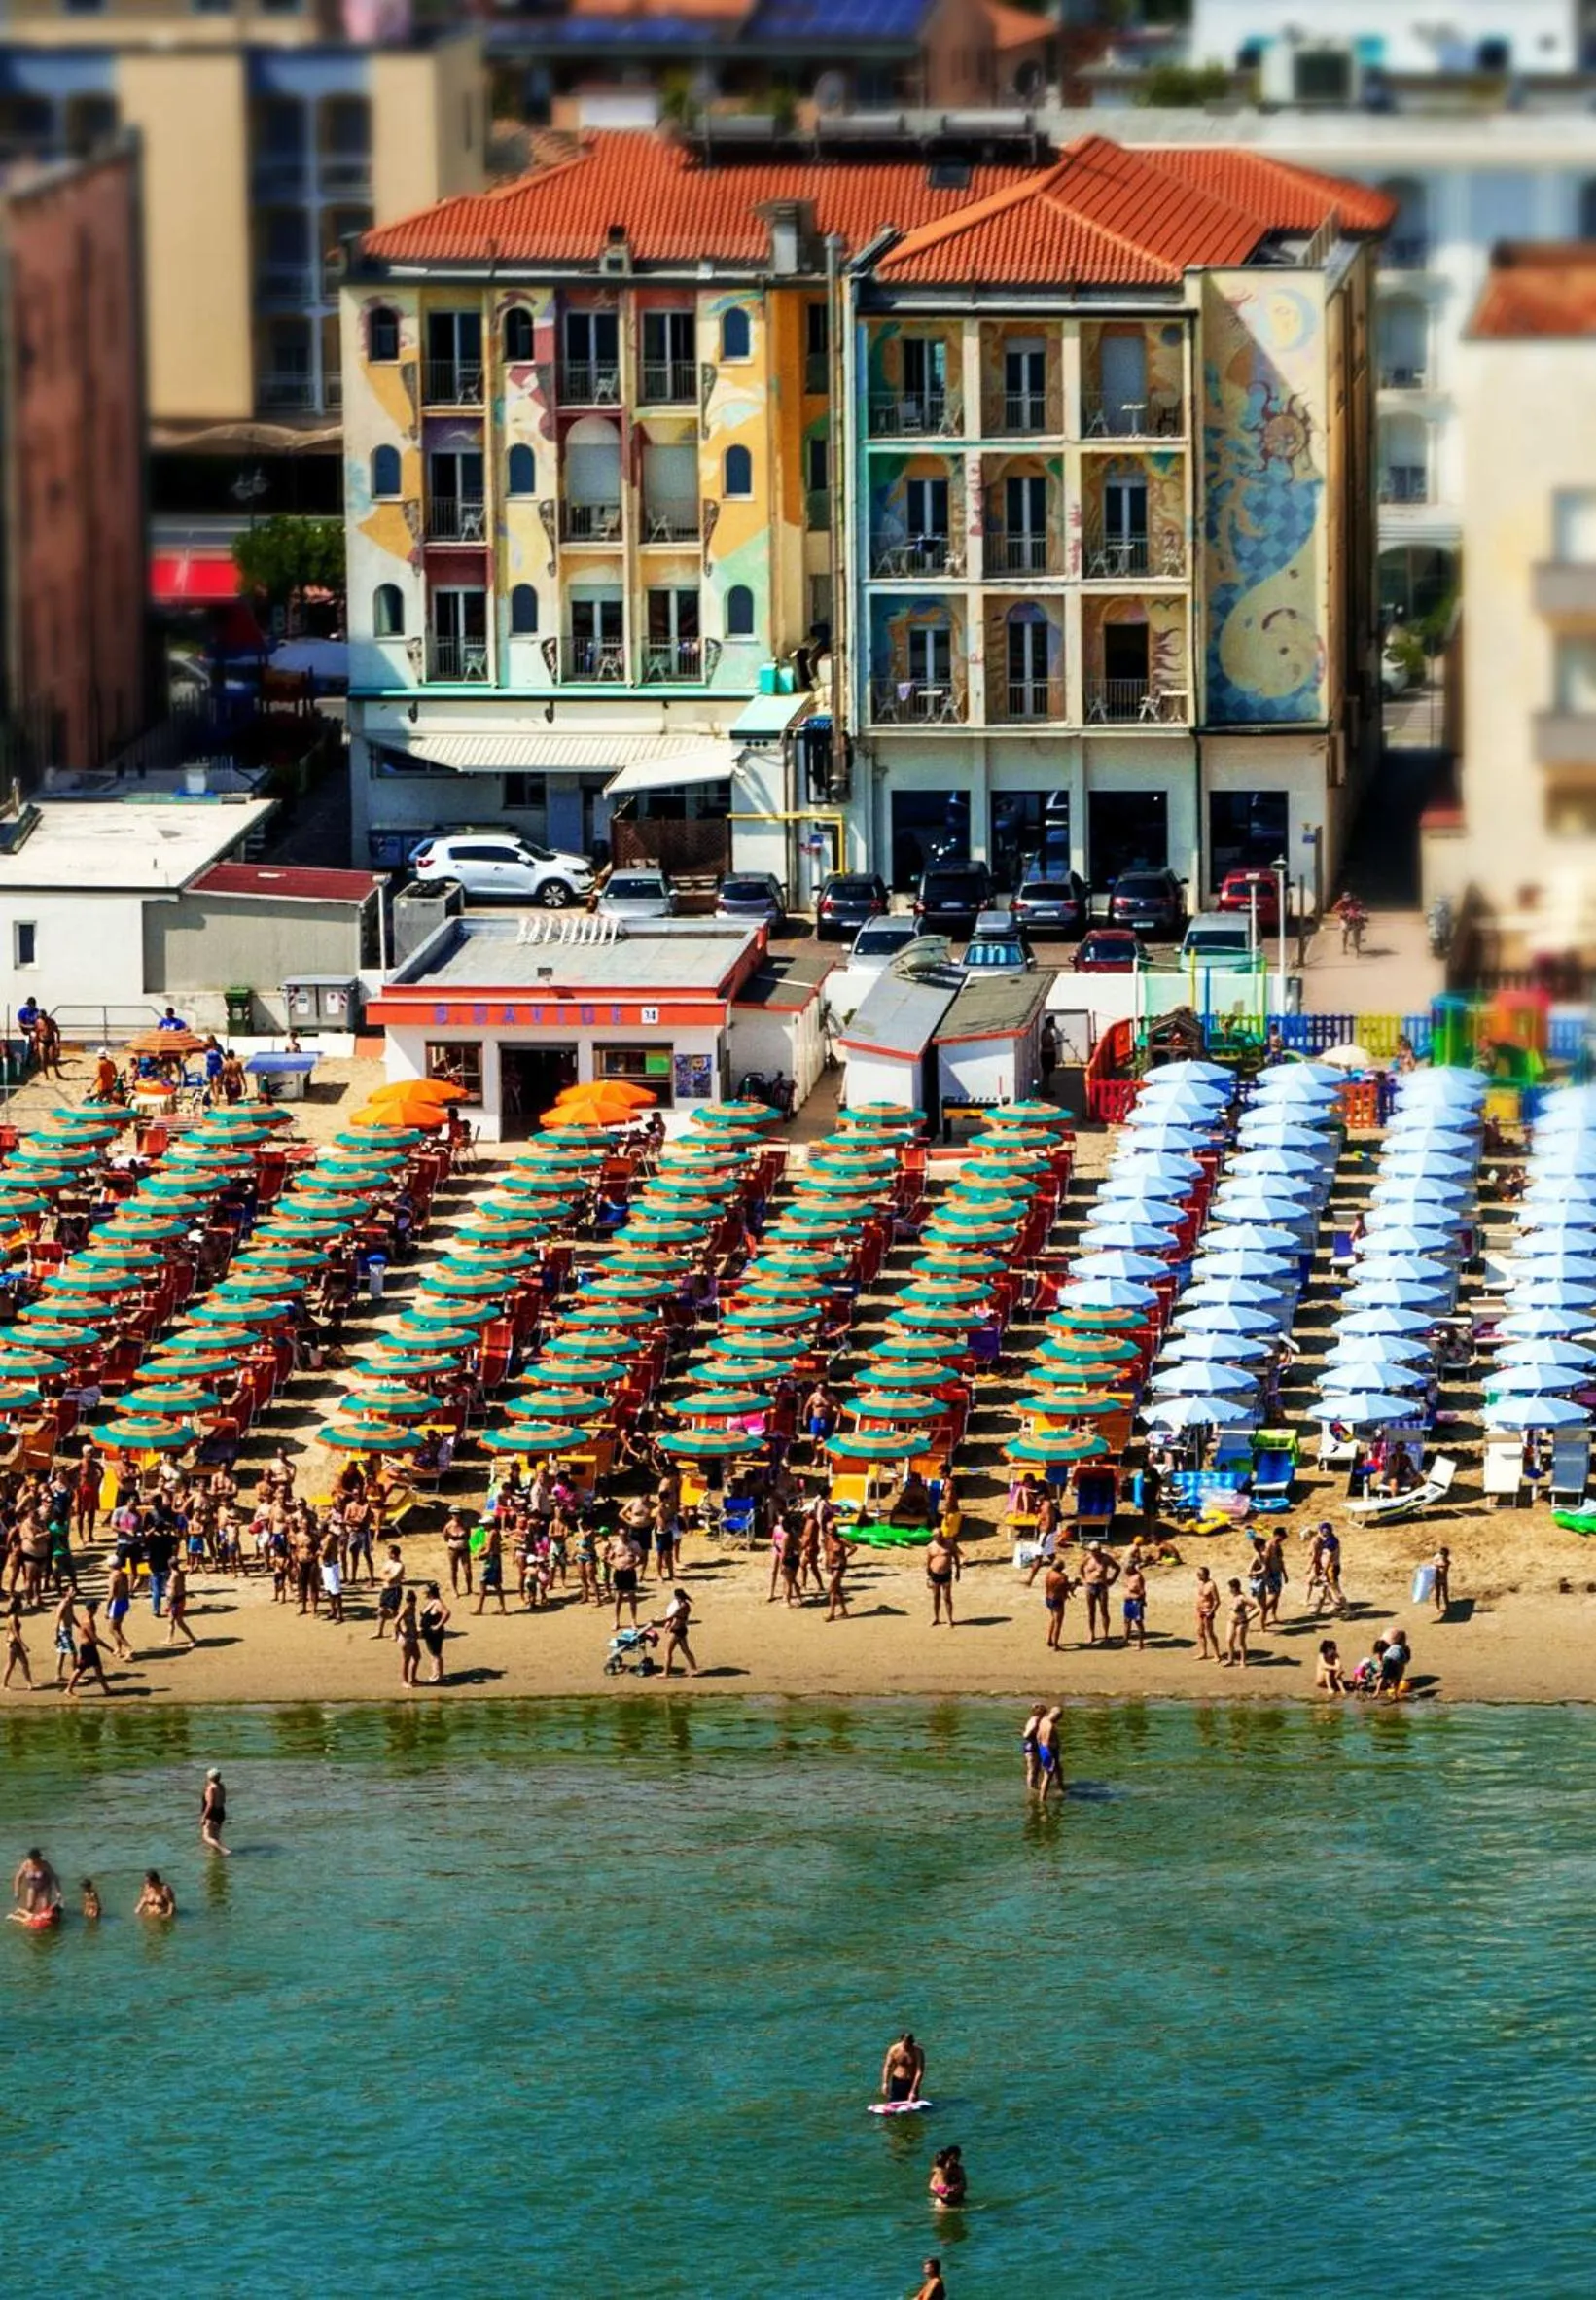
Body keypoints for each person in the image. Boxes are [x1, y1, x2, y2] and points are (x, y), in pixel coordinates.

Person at [66, 1600, 112, 1696]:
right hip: (88, 1649)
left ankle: (107, 1690)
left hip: (90, 1648)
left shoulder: (86, 1617)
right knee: (80, 1669)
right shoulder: (88, 1621)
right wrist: (110, 1649)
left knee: (98, 1669)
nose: (97, 1610)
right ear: (91, 1608)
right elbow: (95, 1638)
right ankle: (68, 1689)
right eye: (96, 1608)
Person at [1080, 1542, 1119, 1645]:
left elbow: (1117, 1568)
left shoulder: (1106, 1558)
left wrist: (1113, 1580)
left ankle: (1106, 1634)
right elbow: (1080, 1568)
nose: (1092, 1553)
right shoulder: (1088, 1558)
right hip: (1090, 1586)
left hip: (1102, 1586)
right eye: (1091, 1551)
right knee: (1091, 1611)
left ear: (1099, 1550)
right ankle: (1091, 1633)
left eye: (1094, 1551)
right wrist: (1084, 1580)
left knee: (1104, 1610)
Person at [656, 1586, 698, 1677]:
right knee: (686, 1651)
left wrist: (655, 1622)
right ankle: (694, 1669)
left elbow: (671, 1617)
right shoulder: (686, 1605)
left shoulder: (681, 1607)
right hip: (682, 1629)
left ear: (677, 1597)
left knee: (668, 1651)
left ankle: (666, 1672)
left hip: (677, 1631)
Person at [11, 1848, 61, 1920]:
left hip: (45, 1886)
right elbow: (18, 1877)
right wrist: (16, 1891)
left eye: (36, 1859)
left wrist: (58, 1892)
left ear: (39, 1857)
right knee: (30, 1906)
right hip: (32, 1886)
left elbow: (54, 1877)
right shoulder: (26, 1864)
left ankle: (46, 1918)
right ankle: (30, 1919)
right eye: (32, 1859)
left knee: (44, 1907)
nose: (35, 1861)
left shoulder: (44, 1864)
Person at [925, 1525, 961, 1627]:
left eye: (941, 1535)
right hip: (934, 1574)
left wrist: (958, 1571)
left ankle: (950, 1619)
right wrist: (927, 1577)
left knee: (947, 1598)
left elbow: (956, 1557)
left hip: (946, 1573)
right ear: (934, 1537)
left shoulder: (950, 1544)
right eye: (938, 1536)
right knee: (936, 1597)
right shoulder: (930, 1546)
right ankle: (936, 1618)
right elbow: (928, 1562)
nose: (940, 1538)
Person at [880, 2032, 925, 2105]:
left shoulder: (918, 2051)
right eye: (905, 2045)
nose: (907, 2047)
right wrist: (885, 2083)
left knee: (912, 2106)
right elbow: (887, 2066)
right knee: (894, 2104)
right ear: (901, 2041)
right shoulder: (894, 2049)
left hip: (911, 2082)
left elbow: (919, 2071)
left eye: (909, 2045)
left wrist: (913, 2091)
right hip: (897, 2081)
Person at [418, 1583, 450, 1682]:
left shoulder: (437, 1603)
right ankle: (435, 1673)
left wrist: (438, 1625)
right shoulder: (431, 1602)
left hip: (435, 1633)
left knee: (436, 1654)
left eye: (426, 1593)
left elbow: (447, 1613)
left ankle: (439, 1675)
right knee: (432, 1654)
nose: (424, 1595)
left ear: (430, 1593)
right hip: (428, 1632)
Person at [1222, 1578, 1256, 1669]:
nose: (1229, 1590)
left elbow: (1254, 1605)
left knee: (1241, 1642)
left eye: (1231, 1588)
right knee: (1229, 1640)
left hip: (1241, 1622)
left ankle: (1243, 1662)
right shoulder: (1232, 1597)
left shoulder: (1242, 1597)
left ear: (1235, 1588)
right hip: (1231, 1621)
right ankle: (1230, 1660)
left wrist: (1247, 1612)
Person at [372, 1544, 405, 1640]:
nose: (387, 1554)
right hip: (385, 1589)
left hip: (394, 1590)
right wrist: (386, 1575)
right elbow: (380, 1574)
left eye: (389, 1553)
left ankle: (396, 1632)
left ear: (394, 1554)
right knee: (381, 1611)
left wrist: (386, 1574)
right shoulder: (388, 1562)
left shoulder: (399, 1565)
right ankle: (379, 1632)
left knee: (393, 1612)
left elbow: (391, 1579)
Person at [1043, 1557, 1074, 1651]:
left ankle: (1049, 1639)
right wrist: (1072, 1587)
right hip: (1057, 1600)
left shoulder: (1049, 1573)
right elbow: (1066, 1587)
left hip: (1048, 1598)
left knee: (1053, 1619)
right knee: (1058, 1623)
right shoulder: (1062, 1577)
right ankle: (1056, 1645)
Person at [1034, 1705, 1063, 1805]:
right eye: (1058, 1718)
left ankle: (1061, 1787)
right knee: (1047, 1776)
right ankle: (1042, 1799)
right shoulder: (1050, 1726)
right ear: (1056, 1715)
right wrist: (1053, 1751)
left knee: (1058, 1769)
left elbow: (1038, 1736)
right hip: (1048, 1751)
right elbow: (1048, 1743)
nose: (1058, 1721)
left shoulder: (1043, 1720)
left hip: (1042, 1748)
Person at [3, 1599, 31, 1689]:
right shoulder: (13, 1617)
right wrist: (24, 1646)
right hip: (15, 1643)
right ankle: (29, 1683)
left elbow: (8, 1631)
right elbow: (16, 1633)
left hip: (12, 1642)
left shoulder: (11, 1617)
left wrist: (6, 1641)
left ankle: (28, 1683)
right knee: (23, 1663)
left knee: (12, 1664)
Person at [200, 1768, 229, 1856]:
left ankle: (224, 1850)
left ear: (209, 1777)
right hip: (221, 1811)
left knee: (206, 1837)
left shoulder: (211, 1788)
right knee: (215, 1836)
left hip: (212, 1813)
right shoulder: (221, 1786)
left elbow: (210, 1804)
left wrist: (204, 1817)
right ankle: (214, 1854)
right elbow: (223, 1800)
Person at [1121, 1560, 1148, 1652]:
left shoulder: (1138, 1577)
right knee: (1126, 1620)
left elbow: (1142, 1591)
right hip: (1128, 1601)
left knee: (1138, 1622)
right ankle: (1125, 1640)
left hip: (1135, 1602)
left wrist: (1142, 1600)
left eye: (1127, 1568)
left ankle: (1141, 1643)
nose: (1125, 1570)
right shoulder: (1129, 1576)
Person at [1381, 1624, 1413, 1699]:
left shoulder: (1398, 1653)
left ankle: (1392, 1685)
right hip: (1390, 1640)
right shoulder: (1393, 1650)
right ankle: (1392, 1685)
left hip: (1391, 1641)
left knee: (1392, 1672)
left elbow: (1401, 1667)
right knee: (1392, 1673)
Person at [929, 2147, 967, 2211]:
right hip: (943, 2202)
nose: (956, 2160)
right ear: (948, 2157)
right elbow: (931, 2186)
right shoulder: (940, 2170)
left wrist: (956, 2188)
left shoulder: (959, 2169)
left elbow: (964, 2184)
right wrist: (943, 2190)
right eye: (954, 2157)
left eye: (958, 2157)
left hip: (958, 2200)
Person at [398, 1588, 421, 1687]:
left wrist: (416, 1631)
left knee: (417, 1657)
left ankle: (413, 1678)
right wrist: (401, 1633)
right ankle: (404, 1681)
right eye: (411, 1602)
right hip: (406, 1638)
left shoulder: (413, 1609)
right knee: (406, 1660)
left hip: (413, 1637)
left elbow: (413, 1622)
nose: (413, 1604)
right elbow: (396, 1622)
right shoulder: (405, 1609)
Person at [1020, 1702, 1046, 1792]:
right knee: (1032, 1769)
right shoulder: (1035, 1720)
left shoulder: (1037, 1719)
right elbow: (1026, 1735)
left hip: (1034, 1746)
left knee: (1036, 1768)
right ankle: (1031, 1789)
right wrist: (1032, 1733)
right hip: (1031, 1746)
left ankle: (1034, 1786)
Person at [1432, 1544, 1451, 1621]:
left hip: (1444, 1580)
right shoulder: (1438, 1560)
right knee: (1438, 1594)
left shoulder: (1447, 1561)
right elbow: (1434, 1565)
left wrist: (1437, 1563)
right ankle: (1438, 1608)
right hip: (1437, 1579)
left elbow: (1444, 1564)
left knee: (1445, 1594)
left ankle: (1447, 1607)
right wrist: (1436, 1562)